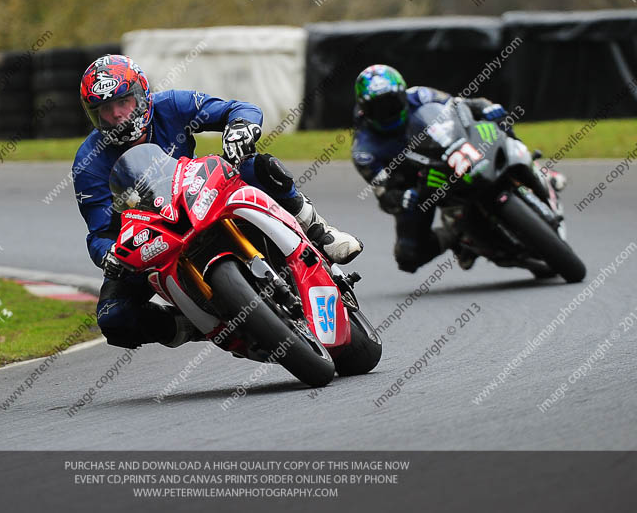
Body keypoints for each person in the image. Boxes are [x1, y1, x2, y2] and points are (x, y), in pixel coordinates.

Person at [73, 54, 362, 349]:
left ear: (142, 96)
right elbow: (100, 232)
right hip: (152, 236)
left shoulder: (171, 105)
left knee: (257, 165)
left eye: (123, 102)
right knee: (113, 318)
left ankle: (317, 230)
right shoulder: (88, 162)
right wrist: (109, 254)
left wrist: (241, 126)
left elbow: (238, 109)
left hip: (197, 194)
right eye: (105, 110)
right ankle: (189, 324)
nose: (117, 114)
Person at [351, 64, 566, 273]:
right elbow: (384, 194)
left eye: (391, 102)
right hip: (419, 183)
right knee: (408, 256)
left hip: (452, 149)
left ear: (402, 94)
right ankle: (456, 235)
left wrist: (485, 107)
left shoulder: (421, 95)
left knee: (499, 122)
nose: (386, 112)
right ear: (364, 109)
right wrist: (402, 198)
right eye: (377, 108)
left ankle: (534, 166)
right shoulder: (364, 150)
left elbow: (462, 105)